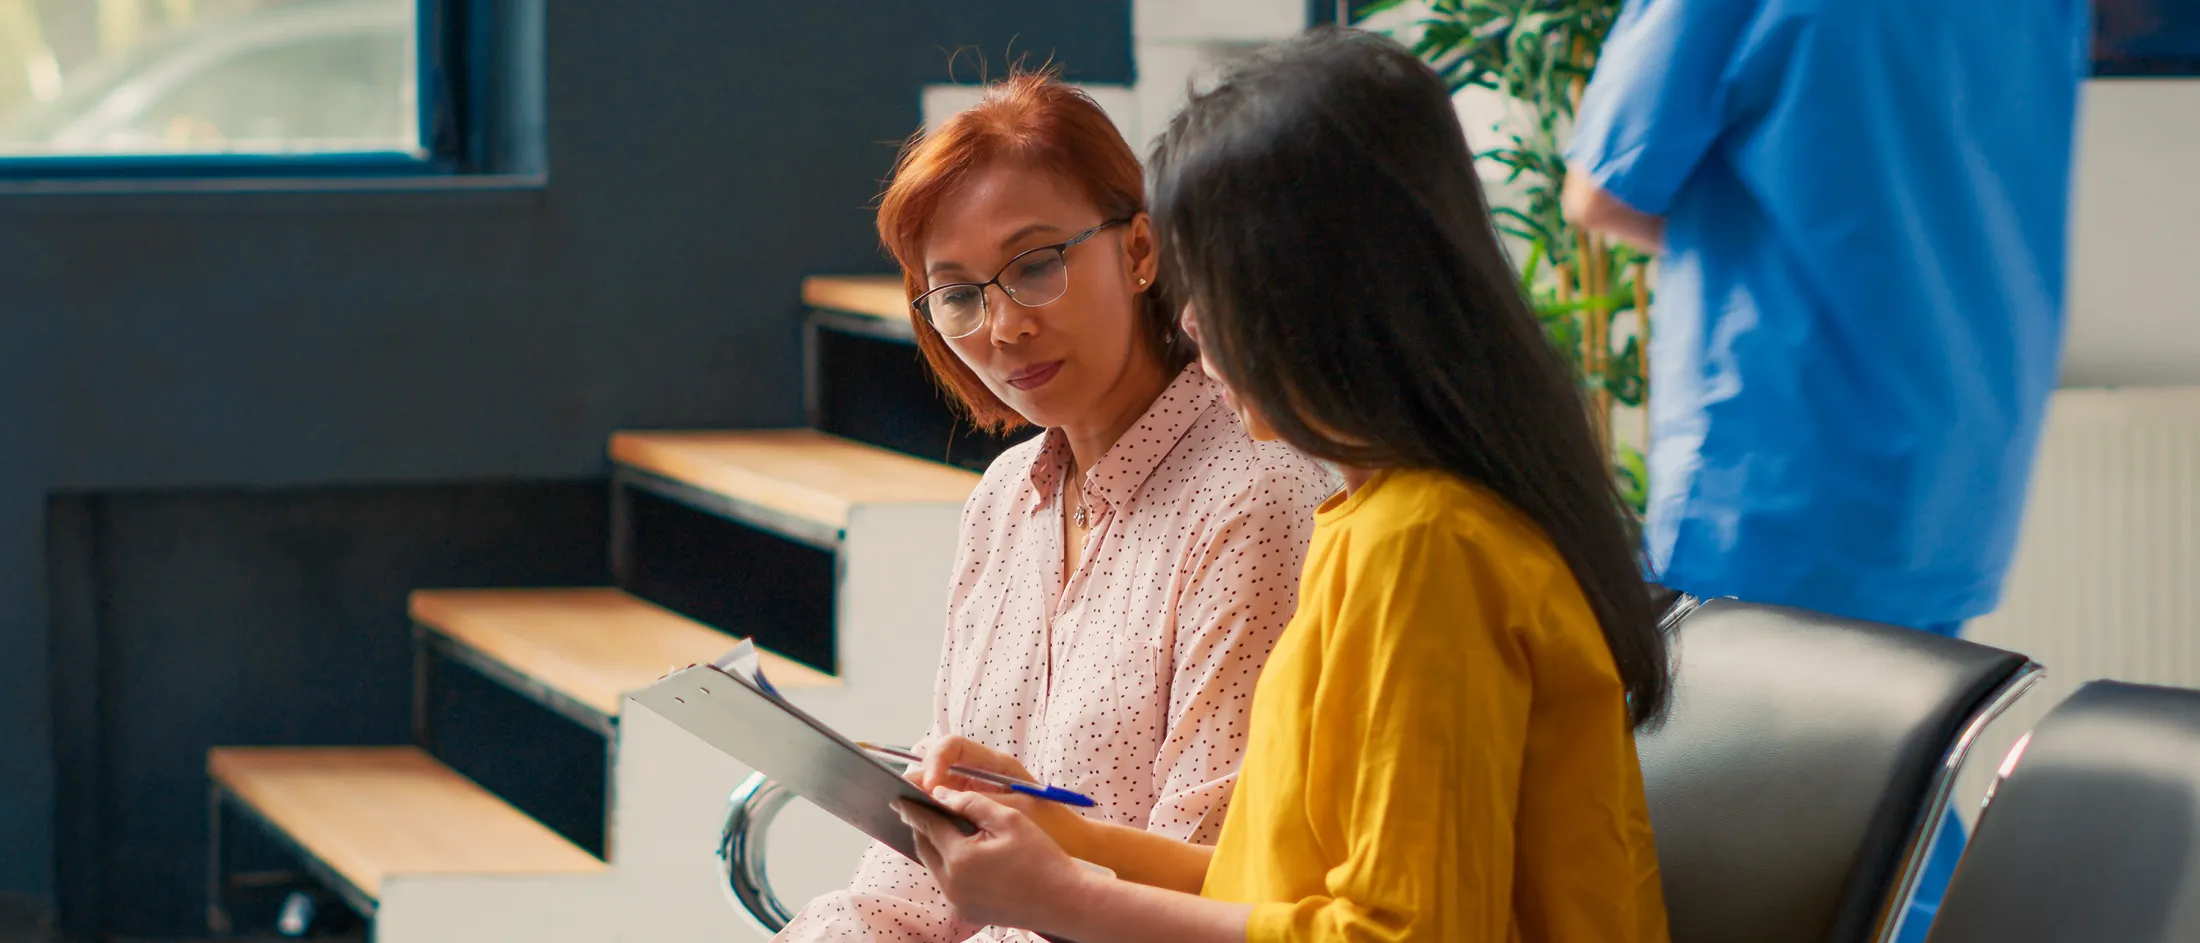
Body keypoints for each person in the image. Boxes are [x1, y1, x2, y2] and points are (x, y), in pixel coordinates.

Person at [889, 30, 1673, 943]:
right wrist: (1068, 843)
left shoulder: (1423, 546)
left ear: (1317, 290)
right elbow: (1268, 880)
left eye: (1211, 282)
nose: (1186, 320)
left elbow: (1404, 933)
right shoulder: (1374, 524)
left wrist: (1063, 895)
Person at [1562, 1, 2088, 937]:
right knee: (1896, 794)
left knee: (1757, 829)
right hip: (1955, 456)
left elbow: (1605, 189)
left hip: (1779, 457)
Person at [771, 72, 1335, 943]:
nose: (1001, 327)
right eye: (957, 293)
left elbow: (1211, 873)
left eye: (1034, 265)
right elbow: (924, 867)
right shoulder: (1004, 500)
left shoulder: (1254, 495)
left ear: (1140, 251)